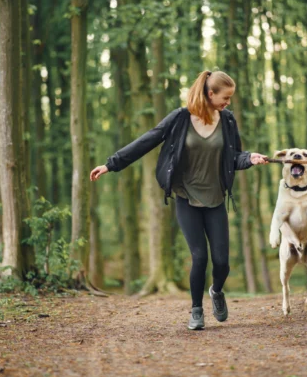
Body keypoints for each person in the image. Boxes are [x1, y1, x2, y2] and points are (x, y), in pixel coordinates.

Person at [90, 70, 268, 330]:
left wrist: (250, 158)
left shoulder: (227, 120)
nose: (228, 103)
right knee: (199, 256)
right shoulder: (181, 118)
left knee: (222, 262)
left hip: (215, 198)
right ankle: (196, 311)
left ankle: (216, 292)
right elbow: (147, 140)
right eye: (225, 97)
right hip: (186, 196)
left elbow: (234, 157)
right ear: (210, 93)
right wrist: (111, 164)